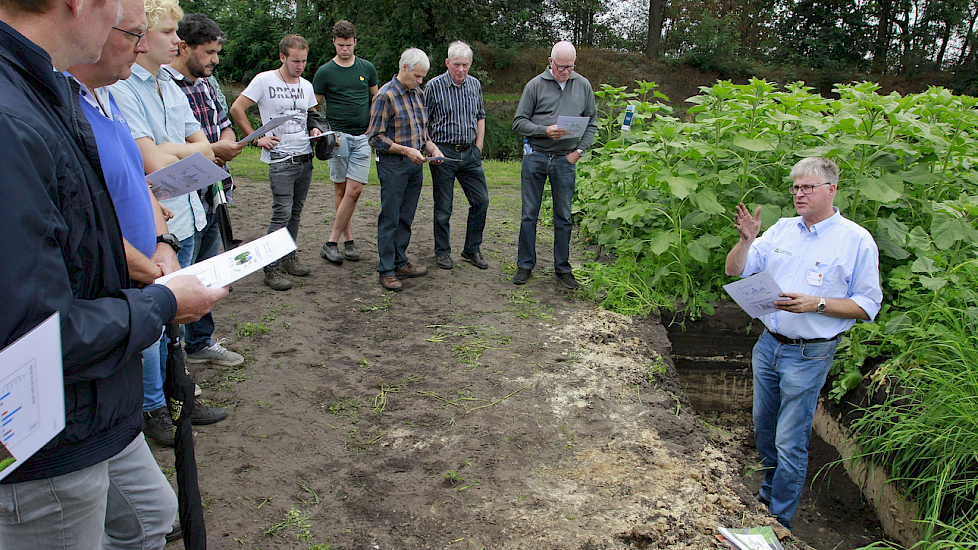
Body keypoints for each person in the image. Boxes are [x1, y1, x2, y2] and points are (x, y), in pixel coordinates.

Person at [0, 0, 225, 545]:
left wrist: (161, 242)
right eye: (130, 18)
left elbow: (86, 220)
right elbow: (37, 336)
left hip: (89, 407)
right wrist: (166, 304)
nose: (143, 34)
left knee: (150, 517)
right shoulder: (15, 116)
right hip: (44, 435)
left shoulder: (46, 92)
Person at [724, 157, 883, 529]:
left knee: (789, 440)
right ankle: (767, 492)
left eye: (807, 187)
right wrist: (746, 241)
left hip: (808, 353)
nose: (799, 194)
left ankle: (779, 522)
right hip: (768, 346)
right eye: (795, 187)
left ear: (831, 189)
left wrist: (817, 303)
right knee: (764, 429)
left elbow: (867, 305)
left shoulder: (855, 241)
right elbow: (735, 270)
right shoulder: (781, 230)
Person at [108, 0, 228, 446]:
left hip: (189, 211)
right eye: (166, 33)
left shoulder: (170, 85)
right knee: (156, 321)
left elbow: (202, 145)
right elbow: (158, 160)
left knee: (173, 322)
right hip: (155, 221)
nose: (178, 42)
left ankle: (176, 392)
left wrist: (181, 148)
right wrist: (189, 149)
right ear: (140, 41)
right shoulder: (121, 87)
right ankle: (154, 406)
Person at [166, 13, 246, 368]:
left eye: (217, 52)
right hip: (183, 196)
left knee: (207, 269)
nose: (215, 60)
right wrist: (215, 148)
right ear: (184, 48)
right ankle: (175, 355)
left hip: (214, 190)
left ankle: (201, 341)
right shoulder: (167, 87)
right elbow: (171, 146)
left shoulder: (206, 84)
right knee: (182, 274)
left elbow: (224, 125)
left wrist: (224, 144)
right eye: (209, 52)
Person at [229, 34, 322, 291]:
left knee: (295, 212)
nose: (300, 66)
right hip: (281, 159)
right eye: (295, 60)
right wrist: (256, 138)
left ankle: (287, 257)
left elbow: (312, 115)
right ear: (282, 57)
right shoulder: (264, 80)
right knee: (281, 212)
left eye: (304, 60)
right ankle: (270, 268)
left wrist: (316, 131)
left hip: (305, 157)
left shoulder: (306, 85)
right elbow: (237, 109)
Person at [512, 40, 597, 290]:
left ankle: (563, 269)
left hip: (565, 159)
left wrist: (579, 151)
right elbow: (518, 122)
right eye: (561, 67)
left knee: (563, 216)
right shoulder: (535, 86)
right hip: (535, 156)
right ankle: (525, 265)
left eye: (570, 67)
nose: (565, 72)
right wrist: (544, 130)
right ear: (550, 62)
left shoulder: (583, 85)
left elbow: (592, 122)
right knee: (530, 214)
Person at [365, 47, 443, 292]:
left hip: (415, 165)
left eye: (423, 77)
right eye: (417, 76)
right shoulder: (385, 96)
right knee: (390, 217)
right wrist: (406, 150)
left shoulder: (417, 94)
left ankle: (400, 261)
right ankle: (386, 270)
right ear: (404, 68)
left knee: (406, 217)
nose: (420, 81)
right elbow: (374, 138)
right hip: (393, 165)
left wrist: (432, 148)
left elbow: (422, 133)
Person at [312, 19, 378, 265]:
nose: (345, 49)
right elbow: (313, 106)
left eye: (348, 45)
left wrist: (373, 127)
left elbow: (377, 99)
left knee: (356, 189)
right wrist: (326, 132)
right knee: (341, 189)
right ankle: (348, 240)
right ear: (334, 43)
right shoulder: (324, 72)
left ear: (355, 43)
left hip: (362, 137)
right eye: (340, 45)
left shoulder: (367, 68)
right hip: (337, 138)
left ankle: (330, 241)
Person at [424, 41, 490, 271]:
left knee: (481, 201)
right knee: (444, 206)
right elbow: (423, 123)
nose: (461, 69)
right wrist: (431, 147)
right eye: (456, 65)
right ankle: (442, 251)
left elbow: (480, 115)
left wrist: (479, 146)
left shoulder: (474, 85)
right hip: (443, 152)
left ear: (470, 64)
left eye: (465, 64)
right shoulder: (433, 87)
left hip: (470, 152)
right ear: (447, 63)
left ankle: (472, 248)